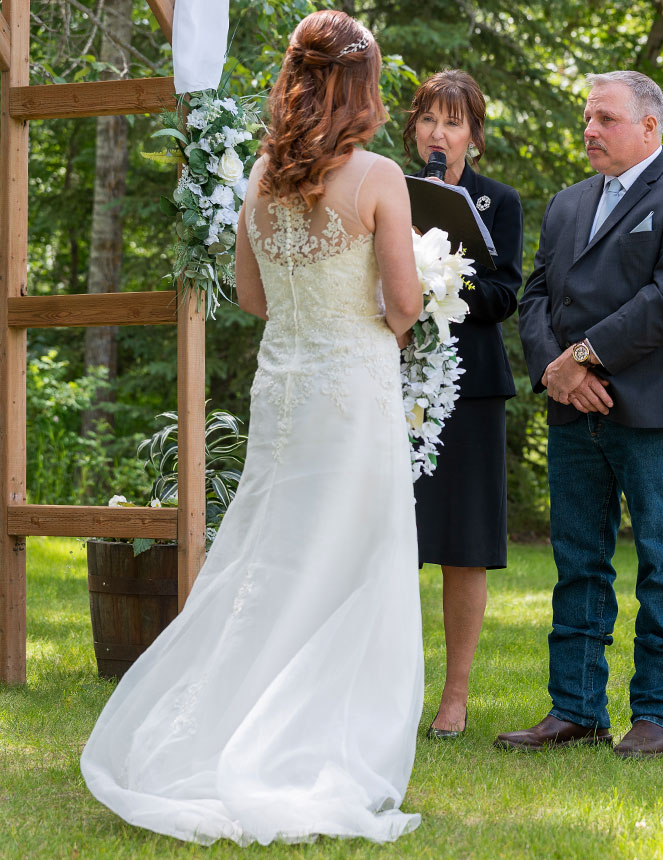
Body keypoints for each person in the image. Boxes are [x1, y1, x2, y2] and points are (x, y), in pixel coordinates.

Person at [80, 11, 426, 844]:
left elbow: (252, 298)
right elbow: (406, 305)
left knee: (270, 557)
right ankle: (309, 740)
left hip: (286, 391)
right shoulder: (379, 176)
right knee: (353, 559)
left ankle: (210, 723)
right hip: (353, 393)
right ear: (363, 86)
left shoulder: (263, 173)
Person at [502, 70, 663, 757]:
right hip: (574, 410)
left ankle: (658, 715)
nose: (590, 131)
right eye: (586, 119)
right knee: (577, 561)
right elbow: (535, 294)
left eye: (604, 119)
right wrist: (557, 373)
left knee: (662, 560)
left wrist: (585, 358)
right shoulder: (569, 203)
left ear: (649, 127)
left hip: (651, 412)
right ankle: (575, 708)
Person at [401, 69, 522, 740]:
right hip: (391, 382)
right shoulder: (388, 188)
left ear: (473, 135)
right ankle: (389, 686)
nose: (438, 134)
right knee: (389, 541)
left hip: (469, 387)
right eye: (427, 120)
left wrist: (441, 290)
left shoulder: (496, 201)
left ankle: (454, 696)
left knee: (462, 547)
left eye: (452, 122)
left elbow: (507, 293)